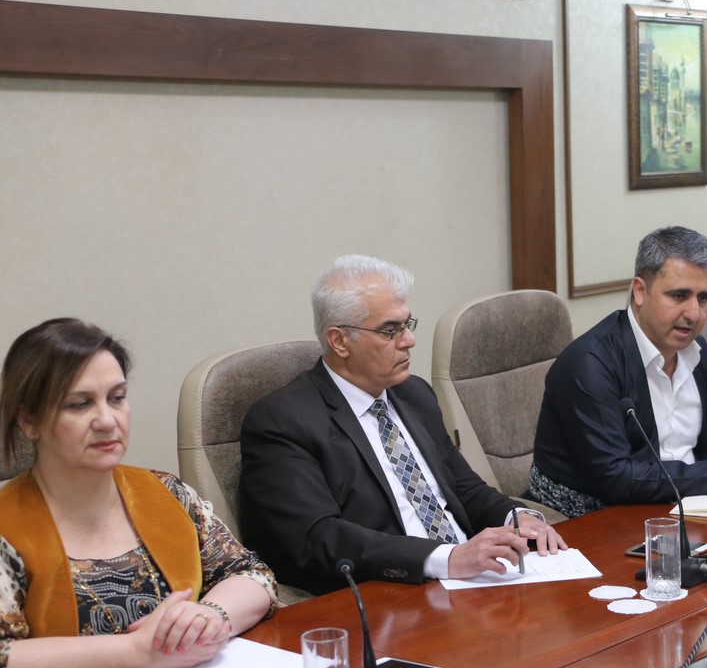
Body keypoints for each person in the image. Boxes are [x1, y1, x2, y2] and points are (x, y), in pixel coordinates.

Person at [0, 319, 277, 668]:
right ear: (28, 420)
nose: (107, 420)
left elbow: (251, 574)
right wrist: (138, 651)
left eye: (116, 398)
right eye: (80, 404)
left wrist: (211, 615)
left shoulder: (167, 493)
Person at [239, 255, 564, 595]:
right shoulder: (282, 421)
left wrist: (516, 516)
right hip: (387, 589)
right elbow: (320, 536)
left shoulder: (413, 393)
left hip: (472, 579)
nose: (409, 340)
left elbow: (463, 487)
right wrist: (445, 558)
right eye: (390, 331)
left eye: (407, 325)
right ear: (339, 341)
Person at [529, 226, 707, 518]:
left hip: (683, 507)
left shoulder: (699, 353)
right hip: (588, 520)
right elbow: (615, 478)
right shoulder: (589, 364)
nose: (694, 313)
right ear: (640, 291)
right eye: (679, 295)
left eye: (704, 298)